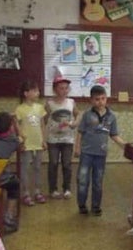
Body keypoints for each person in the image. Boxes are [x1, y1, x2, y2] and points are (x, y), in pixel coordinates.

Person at [74, 85, 125, 216]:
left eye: (103, 98)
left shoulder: (111, 116)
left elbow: (114, 135)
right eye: (97, 99)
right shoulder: (87, 114)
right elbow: (80, 132)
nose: (100, 102)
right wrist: (77, 147)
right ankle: (82, 205)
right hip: (86, 153)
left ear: (106, 98)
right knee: (83, 180)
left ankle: (96, 206)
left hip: (101, 154)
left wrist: (125, 145)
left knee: (98, 181)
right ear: (91, 100)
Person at [45, 76, 80, 199]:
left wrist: (74, 123)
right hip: (53, 139)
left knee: (67, 164)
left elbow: (78, 114)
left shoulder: (71, 102)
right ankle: (53, 189)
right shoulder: (49, 103)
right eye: (61, 88)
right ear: (55, 89)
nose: (64, 91)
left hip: (68, 138)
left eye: (66, 88)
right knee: (53, 163)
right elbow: (44, 120)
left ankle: (67, 189)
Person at [14, 80, 47, 206]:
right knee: (25, 169)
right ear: (26, 93)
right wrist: (21, 141)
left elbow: (42, 125)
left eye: (37, 90)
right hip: (27, 144)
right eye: (35, 91)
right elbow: (17, 127)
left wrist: (43, 140)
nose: (38, 93)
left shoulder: (40, 108)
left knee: (38, 168)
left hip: (38, 143)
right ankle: (26, 193)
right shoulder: (20, 109)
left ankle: (37, 191)